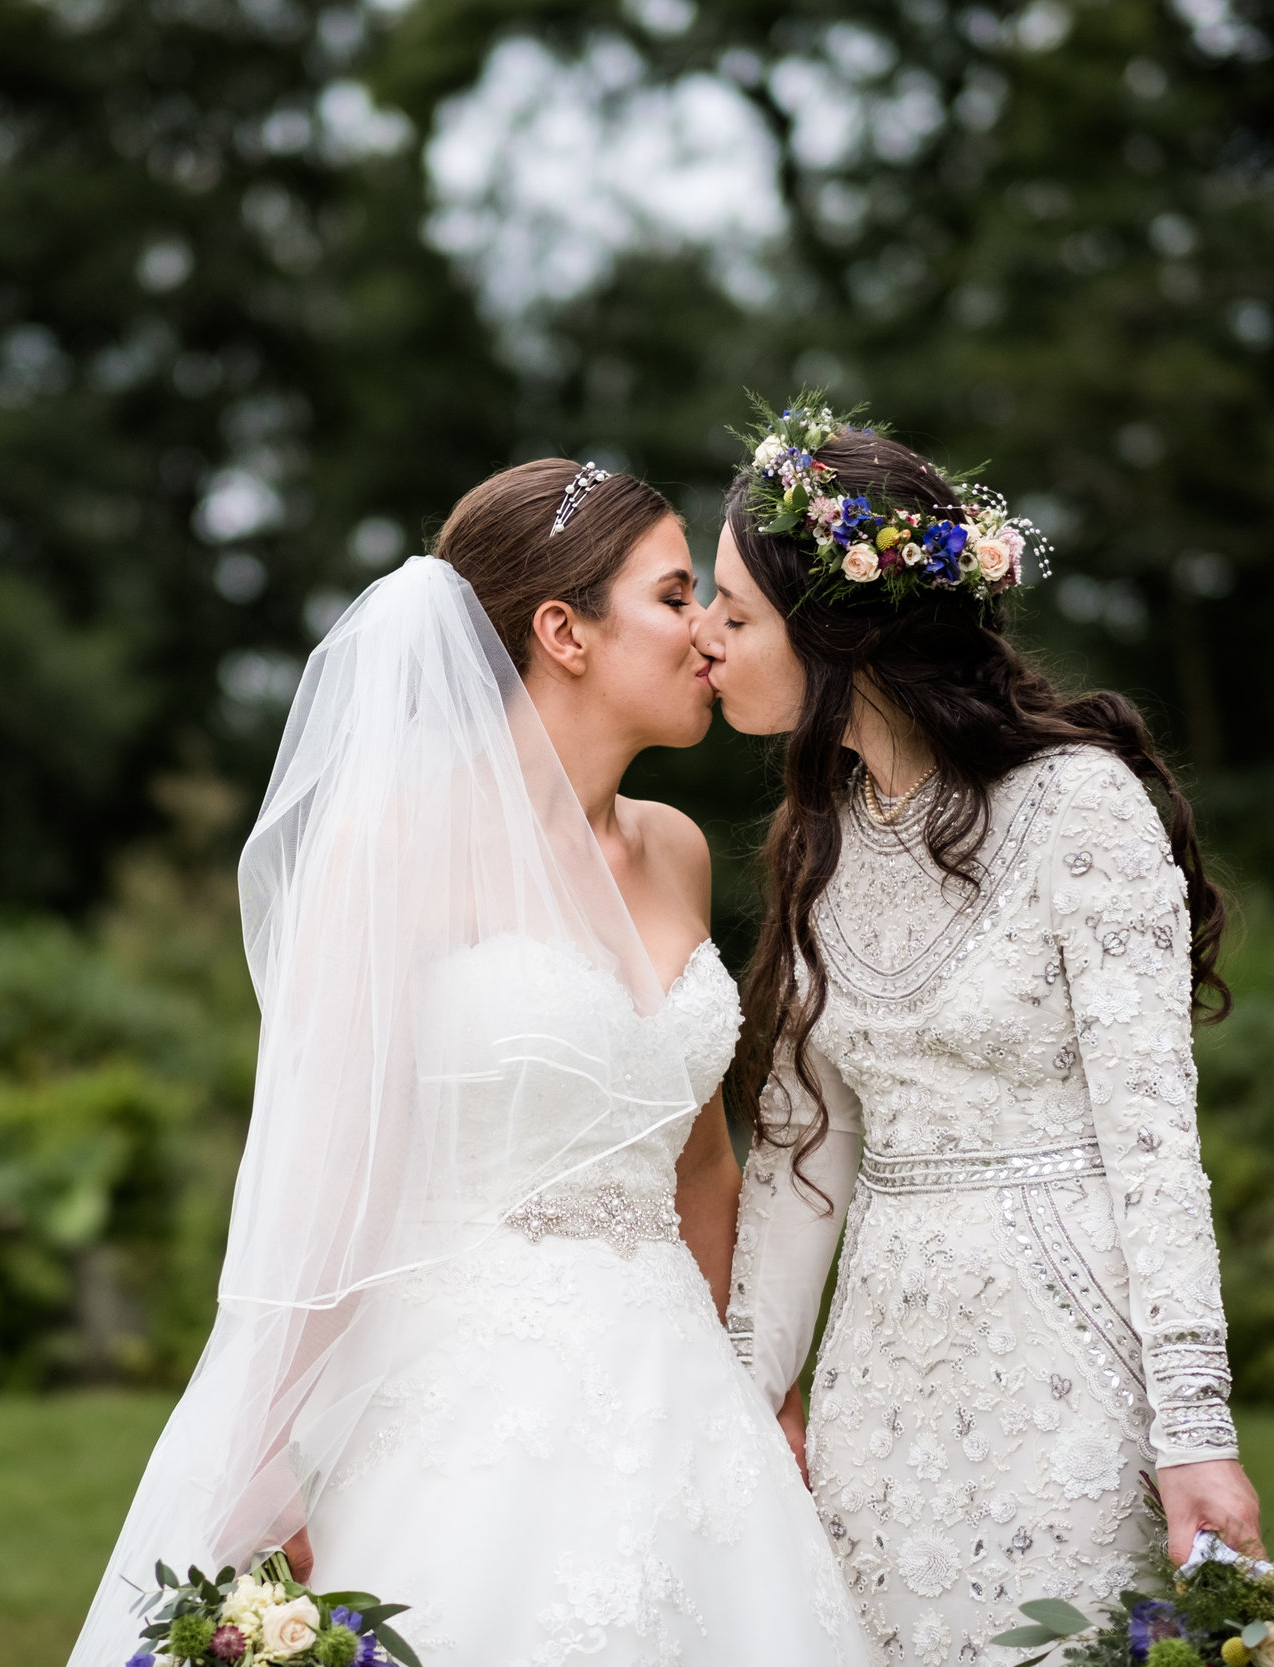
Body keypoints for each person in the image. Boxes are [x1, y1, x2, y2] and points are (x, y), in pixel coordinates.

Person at [68, 459, 869, 1667]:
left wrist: (767, 1393)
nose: (709, 630)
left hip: (683, 1404)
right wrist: (269, 1451)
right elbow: (331, 1170)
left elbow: (702, 1158)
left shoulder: (679, 850)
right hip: (467, 1401)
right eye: (671, 595)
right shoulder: (394, 849)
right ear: (565, 631)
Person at [691, 404, 1263, 1666]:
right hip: (875, 1383)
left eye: (733, 614)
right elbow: (798, 1161)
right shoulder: (813, 840)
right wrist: (738, 1411)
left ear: (834, 629)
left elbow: (1156, 1144)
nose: (704, 639)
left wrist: (1195, 1430)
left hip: (1069, 1359)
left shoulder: (1080, 809)